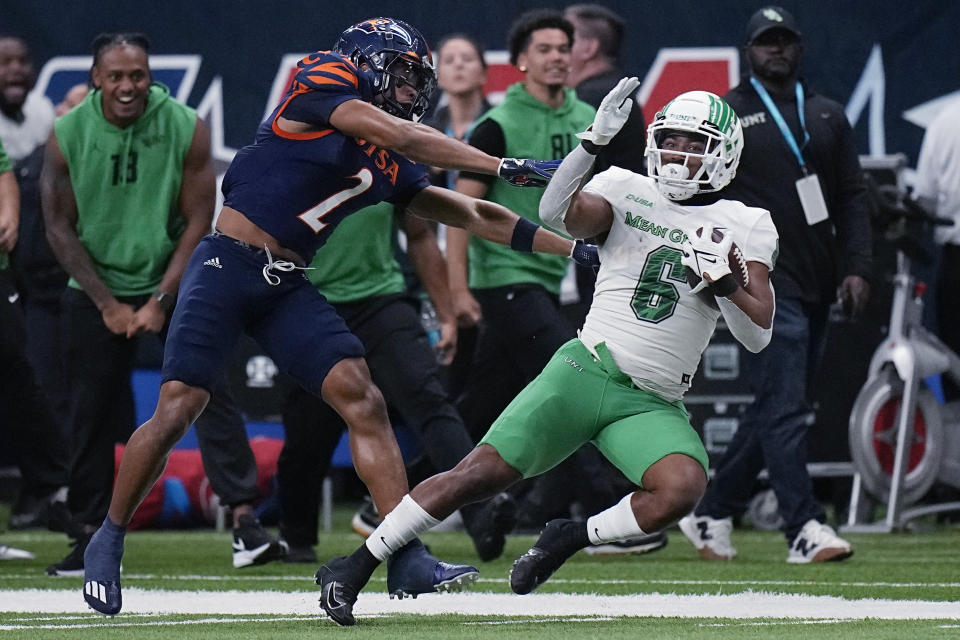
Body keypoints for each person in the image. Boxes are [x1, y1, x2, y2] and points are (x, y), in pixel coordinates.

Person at [76, 17, 591, 617]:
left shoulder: (388, 151)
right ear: (368, 61)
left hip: (286, 279)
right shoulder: (322, 77)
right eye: (400, 72)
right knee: (179, 407)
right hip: (227, 263)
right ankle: (107, 538)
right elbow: (383, 127)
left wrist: (577, 247)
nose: (409, 88)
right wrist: (503, 164)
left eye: (415, 78)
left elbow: (471, 213)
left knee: (362, 398)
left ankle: (405, 555)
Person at [316, 82, 778, 627]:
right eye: (669, 140)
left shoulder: (747, 223)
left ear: (723, 153)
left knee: (681, 489)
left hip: (653, 400)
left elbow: (757, 336)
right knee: (476, 475)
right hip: (585, 369)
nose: (676, 154)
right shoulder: (626, 188)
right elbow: (556, 211)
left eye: (691, 143)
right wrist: (591, 142)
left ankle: (569, 536)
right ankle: (356, 564)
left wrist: (726, 286)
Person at [41, 33, 286, 576]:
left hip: (172, 279)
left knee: (208, 392)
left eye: (139, 76)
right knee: (89, 412)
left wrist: (158, 299)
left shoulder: (185, 124)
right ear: (96, 81)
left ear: (150, 77)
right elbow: (58, 226)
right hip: (94, 286)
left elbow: (201, 218)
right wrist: (107, 303)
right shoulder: (66, 134)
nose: (129, 86)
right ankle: (88, 534)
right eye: (116, 76)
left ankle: (245, 521)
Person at [678, 6, 871, 564]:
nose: (776, 50)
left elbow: (853, 197)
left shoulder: (828, 114)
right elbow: (693, 190)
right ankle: (803, 527)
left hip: (819, 275)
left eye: (785, 40)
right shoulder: (728, 115)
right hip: (761, 275)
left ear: (800, 47)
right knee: (785, 406)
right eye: (766, 42)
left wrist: (857, 266)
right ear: (748, 51)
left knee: (779, 403)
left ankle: (713, 508)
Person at [277, 201, 516, 564]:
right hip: (310, 302)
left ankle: (480, 515)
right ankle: (295, 535)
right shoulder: (292, 155)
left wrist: (446, 314)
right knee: (309, 427)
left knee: (430, 399)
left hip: (381, 300)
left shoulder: (387, 155)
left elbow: (419, 235)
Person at [448, 9, 593, 446]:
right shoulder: (496, 125)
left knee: (485, 401)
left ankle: (416, 490)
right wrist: (457, 290)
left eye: (563, 49)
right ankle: (590, 507)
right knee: (577, 378)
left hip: (555, 276)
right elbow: (459, 210)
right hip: (505, 276)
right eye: (544, 49)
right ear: (521, 61)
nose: (556, 57)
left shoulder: (590, 119)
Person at [0, 35, 72, 533]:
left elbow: (5, 172)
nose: (15, 70)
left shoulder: (47, 114)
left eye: (23, 61)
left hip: (36, 270)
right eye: (4, 62)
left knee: (30, 376)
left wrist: (9, 210)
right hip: (20, 270)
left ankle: (48, 485)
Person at [914, 97, 960, 400]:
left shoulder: (946, 120)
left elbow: (925, 199)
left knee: (955, 367)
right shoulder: (947, 120)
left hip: (955, 264)